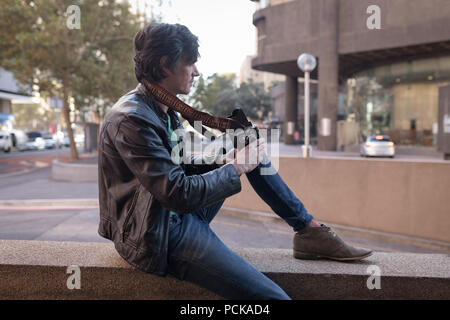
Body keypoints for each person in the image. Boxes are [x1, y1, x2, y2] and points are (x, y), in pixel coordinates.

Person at [98, 22, 372, 300]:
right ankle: (308, 230)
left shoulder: (163, 109)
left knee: (245, 142)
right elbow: (176, 193)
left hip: (171, 214)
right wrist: (236, 166)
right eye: (190, 63)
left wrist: (231, 156)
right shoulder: (133, 118)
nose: (196, 71)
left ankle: (307, 229)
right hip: (159, 234)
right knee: (275, 299)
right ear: (165, 65)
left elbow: (177, 167)